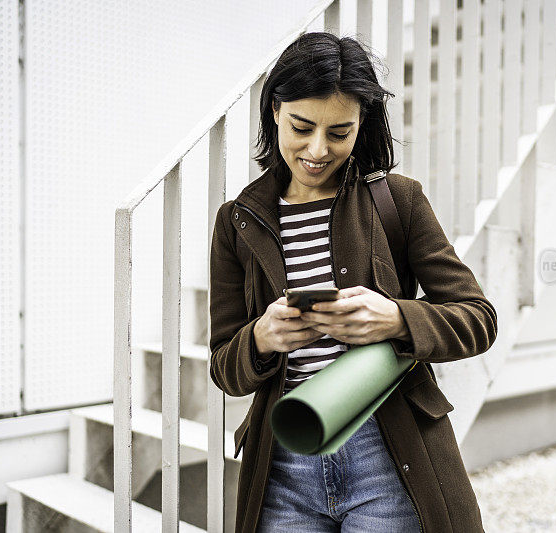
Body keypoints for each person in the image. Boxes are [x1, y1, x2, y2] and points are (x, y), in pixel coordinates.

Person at [209, 31, 497, 533]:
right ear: (274, 109)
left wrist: (397, 318)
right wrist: (261, 337)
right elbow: (224, 367)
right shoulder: (238, 222)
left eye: (339, 133)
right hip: (283, 466)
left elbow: (478, 318)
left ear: (361, 125)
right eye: (302, 127)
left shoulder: (397, 201)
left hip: (389, 457)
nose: (317, 150)